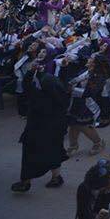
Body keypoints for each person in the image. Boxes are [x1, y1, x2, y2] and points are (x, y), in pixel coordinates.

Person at [11, 63, 69, 192]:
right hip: (56, 131)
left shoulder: (39, 98)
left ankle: (25, 182)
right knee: (54, 152)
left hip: (36, 133)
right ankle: (56, 177)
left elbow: (26, 86)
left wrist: (31, 71)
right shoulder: (60, 97)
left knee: (29, 158)